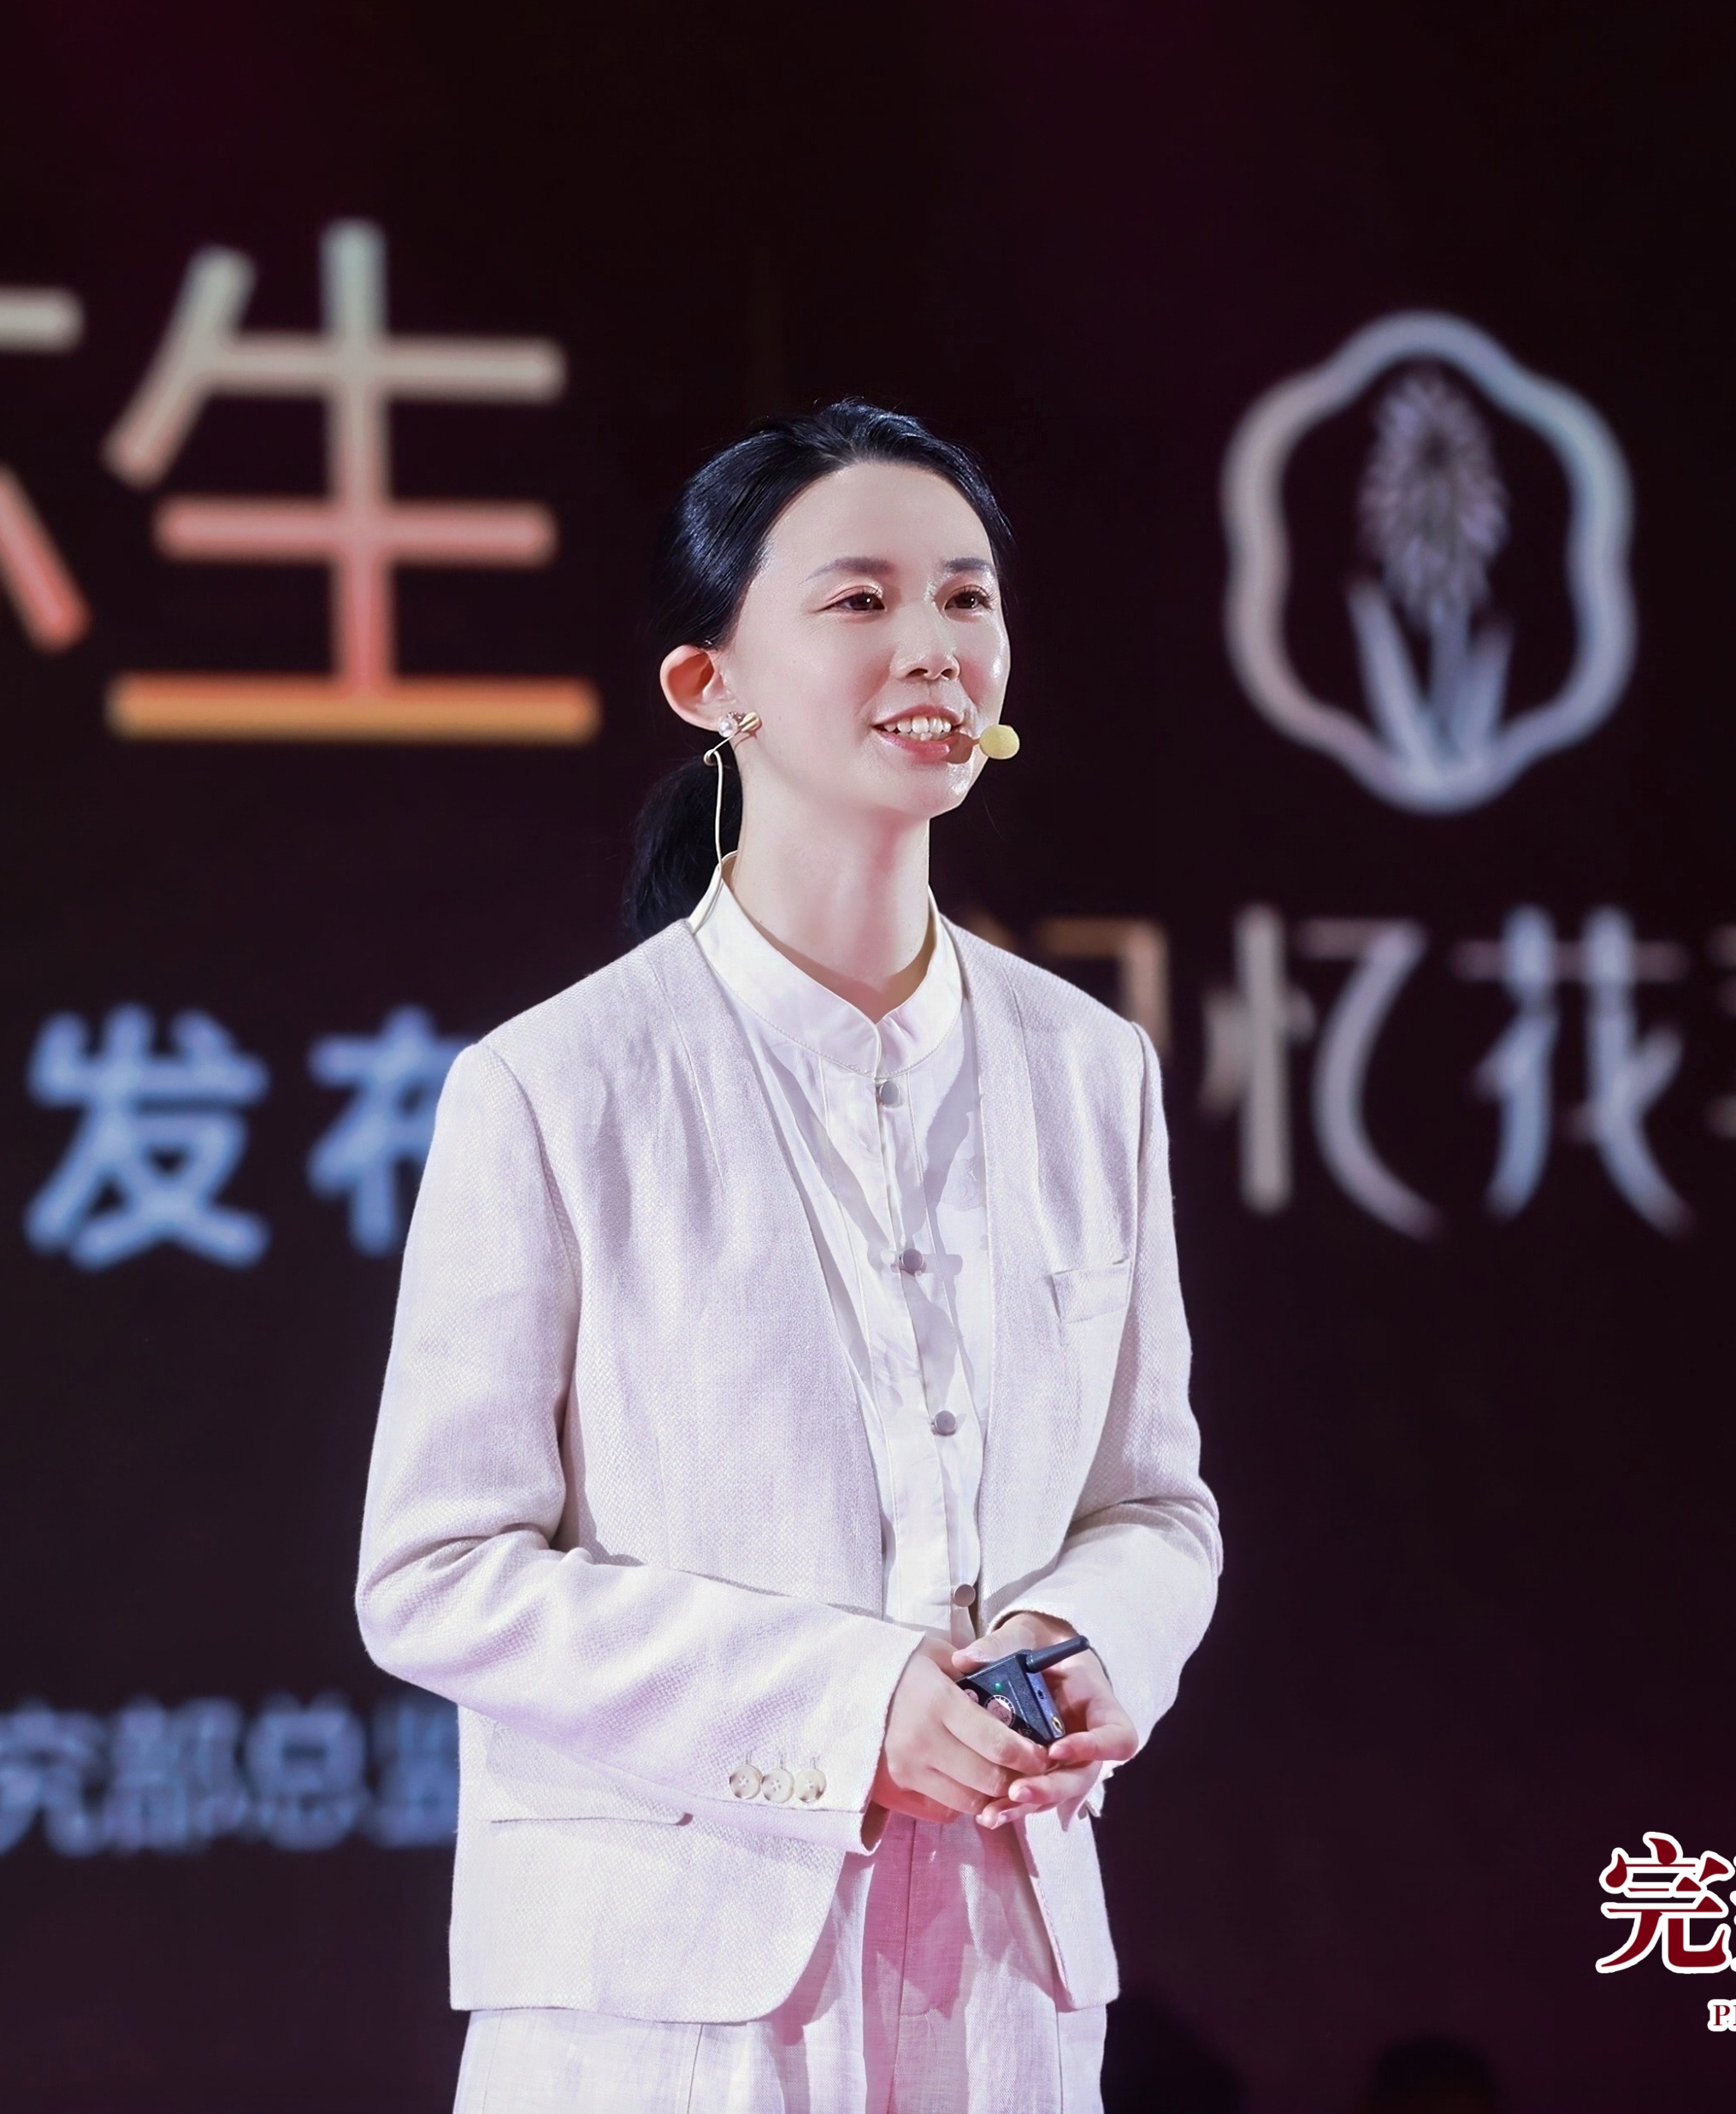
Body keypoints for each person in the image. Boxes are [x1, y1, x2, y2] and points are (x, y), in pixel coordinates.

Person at [356, 400, 1222, 2111]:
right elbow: (435, 1572)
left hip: (1004, 1976)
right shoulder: (556, 1086)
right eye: (859, 600)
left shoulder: (1087, 1071)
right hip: (659, 2004)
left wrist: (1079, 1642)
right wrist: (850, 1705)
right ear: (710, 686)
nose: (933, 646)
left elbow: (1155, 1506)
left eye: (966, 598)